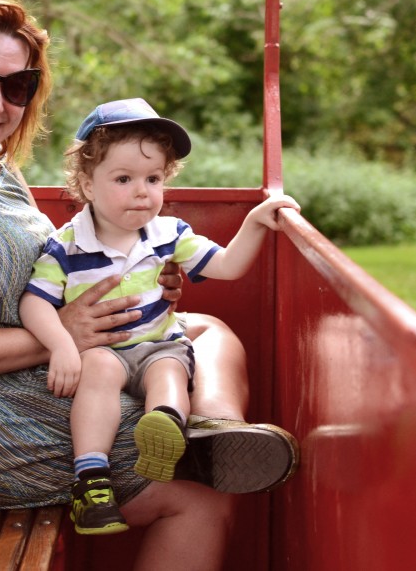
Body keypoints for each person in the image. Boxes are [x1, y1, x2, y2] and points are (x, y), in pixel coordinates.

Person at [0, 0, 298, 570]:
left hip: (11, 374)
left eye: (17, 86)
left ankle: (212, 428)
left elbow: (52, 266)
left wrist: (140, 280)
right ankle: (198, 442)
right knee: (194, 493)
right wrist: (65, 333)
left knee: (205, 330)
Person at [20, 98, 301, 535]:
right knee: (95, 370)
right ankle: (92, 481)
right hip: (103, 350)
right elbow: (34, 301)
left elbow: (225, 265)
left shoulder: (169, 235)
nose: (142, 191)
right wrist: (60, 345)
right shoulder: (67, 245)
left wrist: (255, 222)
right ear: (88, 185)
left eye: (153, 178)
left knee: (170, 368)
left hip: (156, 345)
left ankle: (167, 430)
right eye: (124, 178)